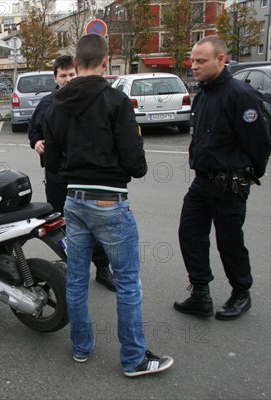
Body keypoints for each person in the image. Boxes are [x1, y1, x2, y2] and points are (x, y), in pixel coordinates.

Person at [43, 34, 173, 377]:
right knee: (128, 282)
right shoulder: (116, 101)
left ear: (75, 62)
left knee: (75, 279)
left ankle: (81, 348)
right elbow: (136, 164)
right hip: (109, 200)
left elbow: (52, 162)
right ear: (105, 62)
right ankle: (133, 359)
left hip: (74, 199)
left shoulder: (56, 104)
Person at [174, 36, 270, 321]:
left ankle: (241, 292)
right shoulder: (203, 93)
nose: (194, 66)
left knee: (229, 241)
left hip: (230, 183)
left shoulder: (241, 94)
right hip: (203, 181)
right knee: (190, 233)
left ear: (221, 60)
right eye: (192, 60)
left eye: (201, 61)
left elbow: (260, 142)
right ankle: (200, 293)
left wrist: (253, 173)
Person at [28, 55, 115, 292]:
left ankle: (102, 268)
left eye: (71, 75)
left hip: (85, 177)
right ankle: (72, 268)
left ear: (77, 73)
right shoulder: (46, 104)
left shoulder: (91, 101)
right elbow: (33, 130)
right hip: (56, 177)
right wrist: (36, 142)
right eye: (63, 75)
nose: (67, 79)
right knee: (60, 226)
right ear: (55, 77)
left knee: (92, 224)